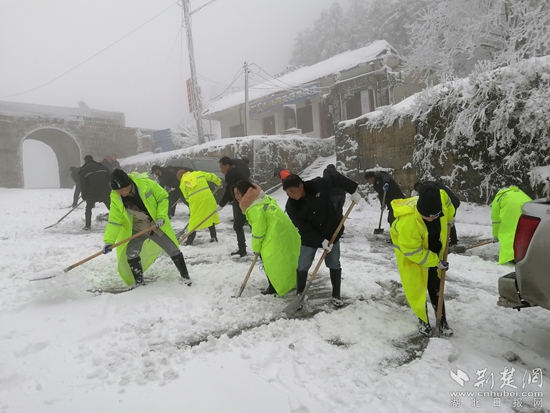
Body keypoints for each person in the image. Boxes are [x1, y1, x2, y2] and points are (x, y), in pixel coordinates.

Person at [283, 173, 361, 307]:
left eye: (292, 191)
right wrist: (320, 241)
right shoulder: (291, 206)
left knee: (334, 263)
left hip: (332, 231)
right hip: (310, 237)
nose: (291, 195)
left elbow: (335, 178)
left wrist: (352, 190)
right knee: (303, 264)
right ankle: (300, 294)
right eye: (287, 193)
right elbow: (303, 227)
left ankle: (336, 294)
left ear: (301, 186)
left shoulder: (317, 185)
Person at [103, 169, 191, 286]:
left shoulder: (146, 184)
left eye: (122, 189)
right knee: (131, 254)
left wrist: (161, 216)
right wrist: (108, 241)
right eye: (117, 190)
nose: (121, 192)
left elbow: (163, 197)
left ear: (129, 184)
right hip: (137, 228)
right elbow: (114, 221)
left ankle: (186, 277)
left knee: (173, 250)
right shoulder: (116, 198)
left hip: (154, 225)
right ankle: (139, 282)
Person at [390, 183, 455, 337]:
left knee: (435, 284)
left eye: (436, 216)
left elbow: (449, 204)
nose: (432, 219)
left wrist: (450, 218)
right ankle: (423, 321)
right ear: (420, 211)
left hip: (432, 248)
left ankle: (442, 319)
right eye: (429, 216)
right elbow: (413, 251)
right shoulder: (408, 222)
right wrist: (435, 261)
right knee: (417, 288)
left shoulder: (440, 197)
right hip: (411, 256)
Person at [232, 181, 299, 296]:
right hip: (284, 232)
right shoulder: (262, 198)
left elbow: (258, 230)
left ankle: (274, 286)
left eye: (239, 193)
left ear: (247, 192)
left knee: (270, 261)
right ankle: (291, 279)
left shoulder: (254, 208)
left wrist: (256, 248)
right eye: (235, 194)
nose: (237, 196)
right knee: (284, 258)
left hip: (275, 235)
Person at [177, 168, 222, 245]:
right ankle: (213, 237)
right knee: (210, 216)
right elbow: (211, 176)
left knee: (194, 220)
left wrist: (192, 200)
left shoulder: (182, 183)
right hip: (209, 198)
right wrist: (219, 182)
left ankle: (189, 241)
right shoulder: (198, 173)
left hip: (196, 202)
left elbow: (186, 197)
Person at [218, 156, 250, 257]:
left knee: (239, 226)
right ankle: (243, 249)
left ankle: (243, 250)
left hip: (243, 202)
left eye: (222, 167)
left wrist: (221, 205)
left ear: (227, 165)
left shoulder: (231, 174)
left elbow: (229, 190)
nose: (221, 170)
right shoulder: (234, 171)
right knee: (244, 225)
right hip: (243, 201)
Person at [491, 185, 532, 265]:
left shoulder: (499, 197)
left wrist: (496, 235)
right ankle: (525, 256)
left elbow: (496, 220)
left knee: (509, 233)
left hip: (510, 209)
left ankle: (511, 258)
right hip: (529, 207)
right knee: (524, 233)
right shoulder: (520, 193)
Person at [414, 181, 461, 246]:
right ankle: (451, 241)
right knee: (448, 221)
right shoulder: (430, 185)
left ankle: (452, 242)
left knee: (449, 222)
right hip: (451, 200)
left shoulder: (426, 190)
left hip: (449, 202)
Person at [78, 155, 111, 231]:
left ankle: (88, 226)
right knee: (111, 207)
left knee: (89, 208)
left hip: (92, 192)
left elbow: (83, 185)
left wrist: (84, 196)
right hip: (105, 190)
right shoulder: (102, 167)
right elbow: (109, 177)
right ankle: (119, 221)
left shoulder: (83, 170)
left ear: (85, 161)